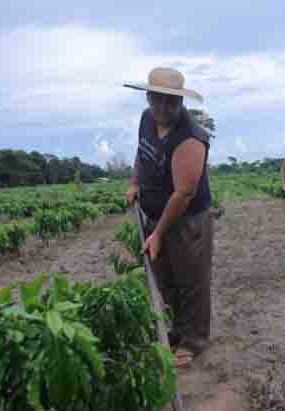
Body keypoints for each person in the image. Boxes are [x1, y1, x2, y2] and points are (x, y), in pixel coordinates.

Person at [123, 67, 213, 368]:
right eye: (157, 99)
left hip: (187, 218)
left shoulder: (191, 137)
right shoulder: (147, 120)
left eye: (170, 102)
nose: (163, 107)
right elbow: (142, 153)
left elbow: (183, 194)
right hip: (153, 211)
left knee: (191, 278)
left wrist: (159, 233)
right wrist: (135, 182)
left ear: (180, 103)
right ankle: (176, 329)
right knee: (165, 277)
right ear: (148, 97)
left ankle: (194, 340)